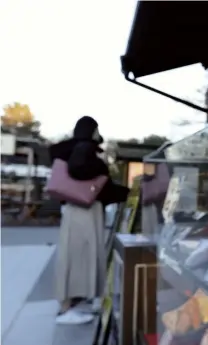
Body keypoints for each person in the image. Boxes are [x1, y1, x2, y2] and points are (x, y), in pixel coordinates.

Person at [49, 116, 130, 325]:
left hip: (77, 210)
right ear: (91, 130)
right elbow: (85, 174)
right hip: (84, 211)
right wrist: (104, 174)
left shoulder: (74, 149)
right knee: (79, 257)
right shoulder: (84, 149)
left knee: (77, 257)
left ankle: (72, 303)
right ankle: (67, 308)